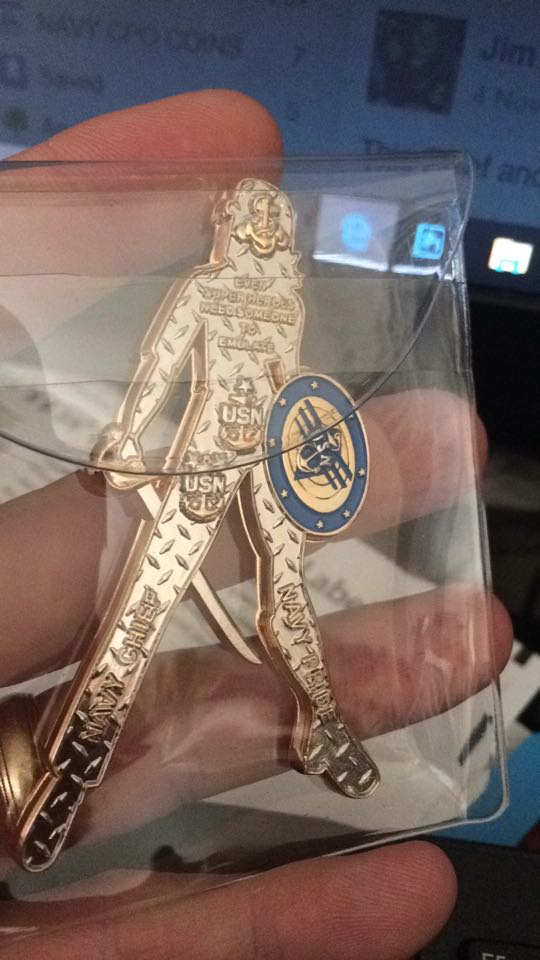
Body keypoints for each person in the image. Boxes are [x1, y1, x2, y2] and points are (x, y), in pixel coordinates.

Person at [0, 88, 512, 958]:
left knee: (289, 603)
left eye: (278, 222)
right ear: (235, 225)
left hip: (269, 460)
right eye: (259, 219)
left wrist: (315, 455)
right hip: (200, 457)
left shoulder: (285, 298)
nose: (271, 230)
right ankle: (70, 771)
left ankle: (323, 725)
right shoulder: (204, 287)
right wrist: (128, 436)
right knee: (139, 610)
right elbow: (162, 364)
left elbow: (292, 389)